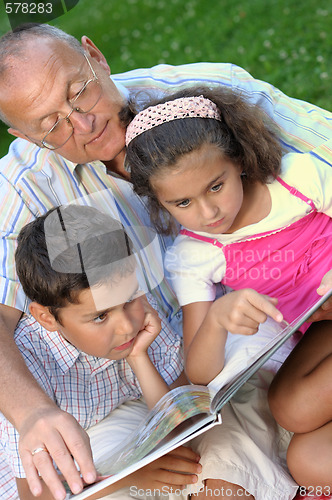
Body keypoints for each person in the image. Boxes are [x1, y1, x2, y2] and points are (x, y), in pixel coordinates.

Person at [0, 22, 331, 500]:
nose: (83, 124)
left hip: (259, 345)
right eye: (52, 125)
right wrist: (32, 413)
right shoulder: (21, 184)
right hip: (179, 374)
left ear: (96, 57)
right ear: (24, 134)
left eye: (80, 94)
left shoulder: (211, 95)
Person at [125, 86, 332, 492]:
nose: (208, 212)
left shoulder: (297, 180)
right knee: (300, 440)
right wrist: (217, 320)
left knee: (295, 408)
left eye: (215, 187)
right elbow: (201, 374)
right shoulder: (194, 254)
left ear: (237, 160)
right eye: (182, 203)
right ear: (160, 202)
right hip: (321, 331)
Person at [0, 203, 200, 500]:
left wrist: (139, 357)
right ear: (47, 318)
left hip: (117, 431)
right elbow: (35, 496)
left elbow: (184, 425)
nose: (126, 326)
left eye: (130, 297)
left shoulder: (137, 313)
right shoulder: (28, 366)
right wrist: (127, 477)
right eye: (100, 317)